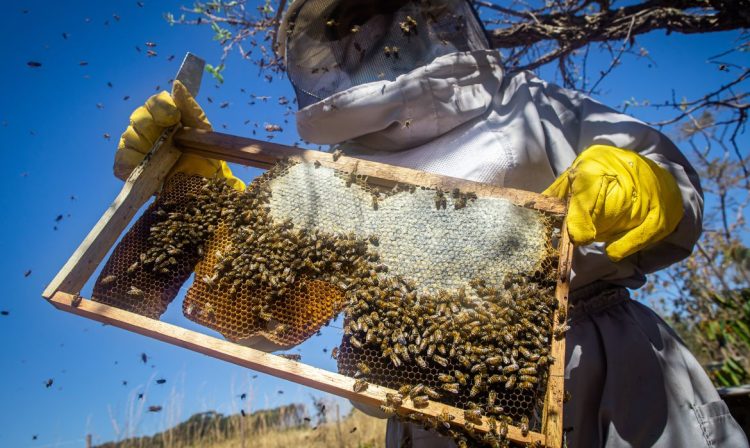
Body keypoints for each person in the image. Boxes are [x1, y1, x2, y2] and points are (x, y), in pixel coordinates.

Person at [113, 0, 748, 446]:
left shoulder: (530, 103)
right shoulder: (329, 177)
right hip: (433, 404)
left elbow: (665, 181)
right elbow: (264, 315)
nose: (367, 39)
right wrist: (210, 203)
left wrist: (646, 179)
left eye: (380, 16)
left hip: (604, 370)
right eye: (346, 27)